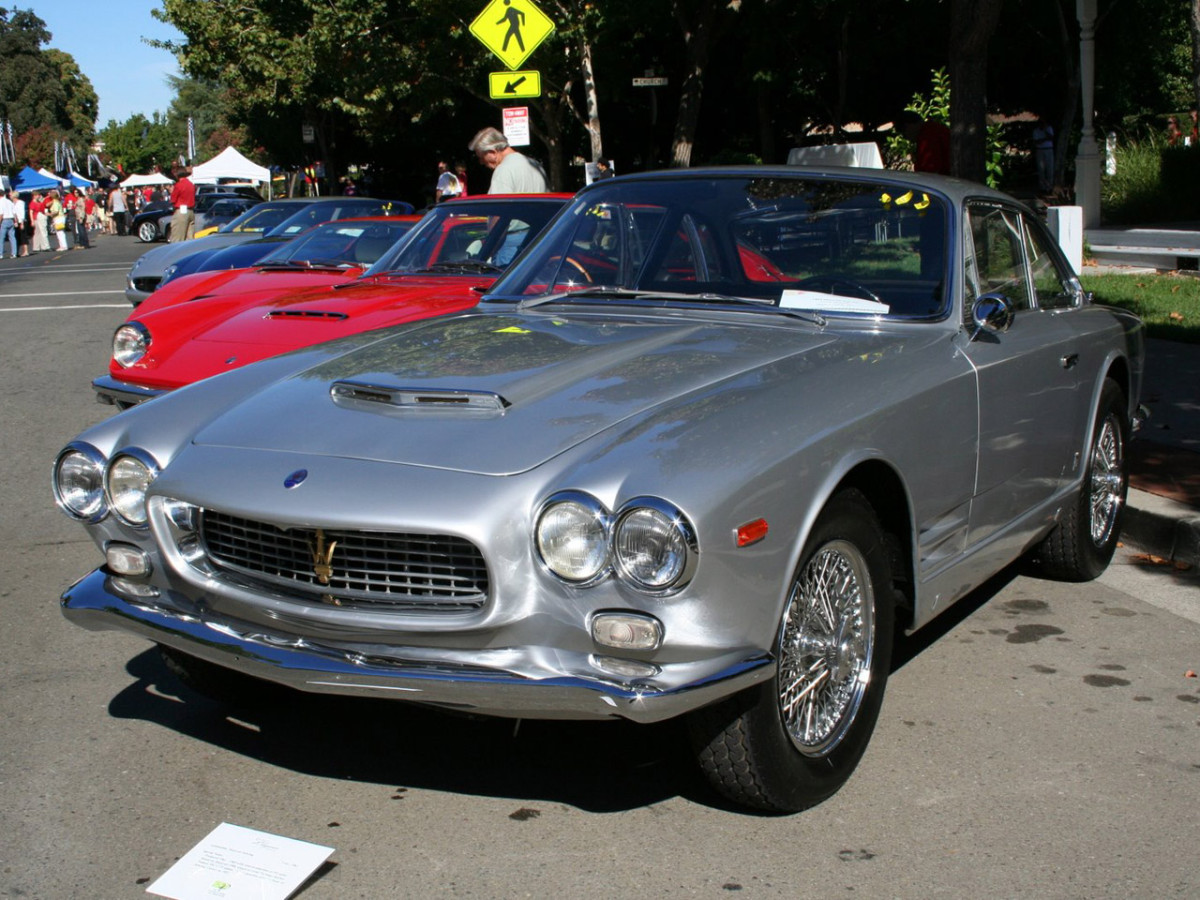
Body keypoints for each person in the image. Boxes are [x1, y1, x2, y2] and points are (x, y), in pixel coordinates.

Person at [468, 126, 548, 194]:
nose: (481, 162)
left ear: (492, 152)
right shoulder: (536, 165)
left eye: (482, 158)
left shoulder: (503, 171)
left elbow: (496, 208)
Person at [169, 167, 196, 242]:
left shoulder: (179, 185)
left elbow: (173, 200)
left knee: (177, 238)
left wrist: (171, 192)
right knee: (190, 239)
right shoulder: (191, 184)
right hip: (191, 211)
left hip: (181, 211)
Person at [1032, 118, 1055, 194]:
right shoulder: (1036, 131)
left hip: (1048, 149)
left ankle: (1049, 187)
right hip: (1040, 150)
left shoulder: (1049, 129)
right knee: (1041, 170)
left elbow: (1051, 138)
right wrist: (1045, 139)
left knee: (1049, 169)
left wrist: (1045, 132)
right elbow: (1036, 142)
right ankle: (1042, 187)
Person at [0, 189, 16, 259]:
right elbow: (14, 212)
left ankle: (0, 254)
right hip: (11, 219)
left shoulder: (1, 202)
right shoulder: (9, 201)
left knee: (1, 238)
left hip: (4, 220)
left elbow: (1, 214)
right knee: (12, 237)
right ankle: (14, 253)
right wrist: (15, 221)